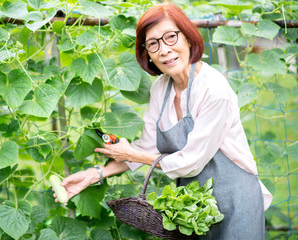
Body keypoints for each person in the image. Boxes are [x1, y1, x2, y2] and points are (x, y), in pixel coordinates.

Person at [53, 3, 273, 239]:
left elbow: (191, 162)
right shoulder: (161, 88)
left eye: (170, 37)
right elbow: (145, 149)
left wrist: (131, 154)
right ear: (146, 53)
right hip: (195, 209)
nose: (164, 50)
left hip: (236, 199)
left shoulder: (213, 89)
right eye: (153, 44)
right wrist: (95, 174)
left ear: (188, 38)